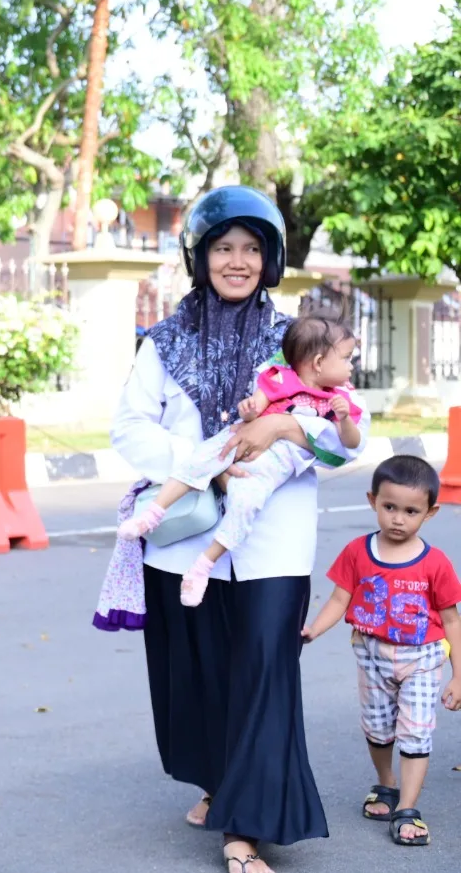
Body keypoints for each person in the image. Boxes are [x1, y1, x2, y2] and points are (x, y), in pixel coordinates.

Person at [98, 185, 366, 873]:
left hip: (273, 546)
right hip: (186, 542)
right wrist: (207, 463)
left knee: (266, 676)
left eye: (251, 248)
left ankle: (244, 831)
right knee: (200, 680)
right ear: (201, 255)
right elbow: (129, 427)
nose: (237, 261)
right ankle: (220, 784)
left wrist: (282, 428)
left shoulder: (299, 340)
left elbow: (347, 438)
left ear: (270, 257)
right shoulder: (165, 342)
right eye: (223, 247)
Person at [120, 314, 363, 606]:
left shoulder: (336, 391)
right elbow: (129, 427)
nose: (351, 365)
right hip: (191, 519)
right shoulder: (169, 337)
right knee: (199, 460)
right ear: (319, 362)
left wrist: (285, 425)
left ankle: (203, 565)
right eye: (347, 358)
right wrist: (245, 419)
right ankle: (151, 515)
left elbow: (351, 446)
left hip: (271, 518)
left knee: (245, 509)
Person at [301, 455, 461, 847]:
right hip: (372, 655)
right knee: (377, 728)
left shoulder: (435, 563)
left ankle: (408, 808)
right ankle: (386, 784)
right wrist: (312, 630)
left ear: (430, 512)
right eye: (389, 507)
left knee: (416, 731)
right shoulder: (358, 551)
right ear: (373, 501)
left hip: (422, 658)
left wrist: (459, 675)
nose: (398, 519)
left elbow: (452, 620)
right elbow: (339, 599)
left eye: (411, 511)